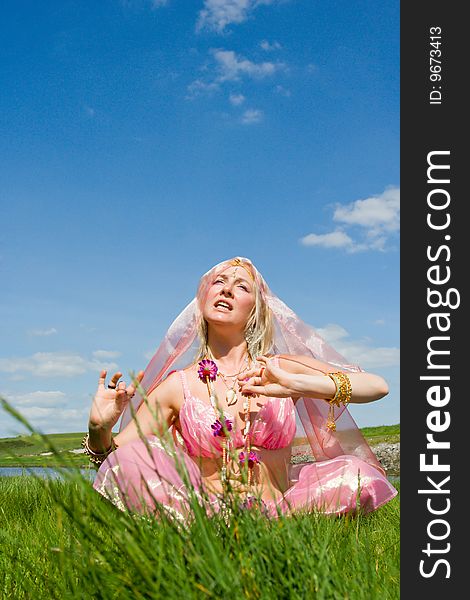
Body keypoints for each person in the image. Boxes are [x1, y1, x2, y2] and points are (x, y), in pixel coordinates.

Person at [85, 257, 397, 519]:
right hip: (206, 515)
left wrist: (297, 383)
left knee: (356, 474)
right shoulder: (177, 386)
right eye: (219, 282)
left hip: (286, 509)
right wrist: (99, 429)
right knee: (131, 461)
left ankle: (281, 533)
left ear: (256, 309)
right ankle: (205, 539)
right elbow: (116, 459)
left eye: (242, 286)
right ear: (204, 299)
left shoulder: (280, 367)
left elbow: (376, 386)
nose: (227, 290)